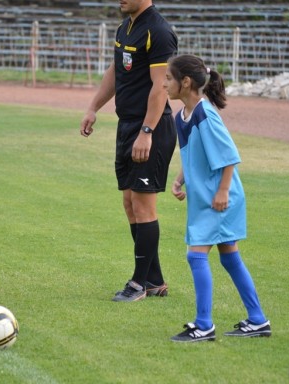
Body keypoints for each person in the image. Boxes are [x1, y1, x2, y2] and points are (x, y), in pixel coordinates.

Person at [164, 54, 271, 341]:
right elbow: (193, 155)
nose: (165, 84)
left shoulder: (206, 114)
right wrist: (179, 178)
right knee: (229, 258)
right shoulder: (182, 116)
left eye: (169, 79)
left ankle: (203, 325)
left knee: (196, 255)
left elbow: (229, 157)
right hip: (207, 199)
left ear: (186, 83)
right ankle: (258, 320)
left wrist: (223, 191)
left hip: (219, 200)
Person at [80, 0, 178, 302]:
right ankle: (154, 280)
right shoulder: (126, 27)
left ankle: (138, 284)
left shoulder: (158, 31)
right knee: (129, 203)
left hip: (151, 128)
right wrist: (93, 107)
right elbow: (115, 70)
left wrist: (146, 132)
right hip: (128, 126)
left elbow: (160, 86)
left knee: (143, 205)